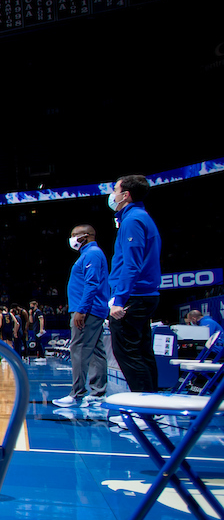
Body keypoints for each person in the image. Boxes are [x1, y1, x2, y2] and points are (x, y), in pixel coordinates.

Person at [107, 174, 163, 392]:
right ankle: (151, 406)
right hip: (143, 294)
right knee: (142, 353)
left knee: (128, 353)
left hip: (134, 296)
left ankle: (142, 410)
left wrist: (119, 299)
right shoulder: (140, 217)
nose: (112, 195)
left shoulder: (133, 220)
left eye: (115, 190)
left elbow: (132, 265)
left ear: (125, 195)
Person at [54, 224, 109, 407]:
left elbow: (91, 284)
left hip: (88, 310)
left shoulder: (92, 254)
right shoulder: (90, 254)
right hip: (93, 310)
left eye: (74, 235)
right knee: (97, 352)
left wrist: (82, 310)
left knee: (78, 350)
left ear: (85, 236)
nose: (71, 239)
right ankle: (98, 393)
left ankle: (77, 393)